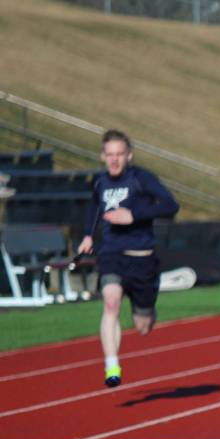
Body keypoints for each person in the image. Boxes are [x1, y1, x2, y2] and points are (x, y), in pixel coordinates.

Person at [76, 130, 179, 387]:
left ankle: (146, 306)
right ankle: (112, 366)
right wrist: (88, 236)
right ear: (102, 156)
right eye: (109, 155)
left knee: (143, 326)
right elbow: (93, 208)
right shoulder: (99, 182)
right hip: (112, 253)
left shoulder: (142, 179)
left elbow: (170, 205)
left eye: (120, 154)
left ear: (129, 155)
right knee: (110, 302)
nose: (114, 160)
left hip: (142, 257)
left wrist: (133, 214)